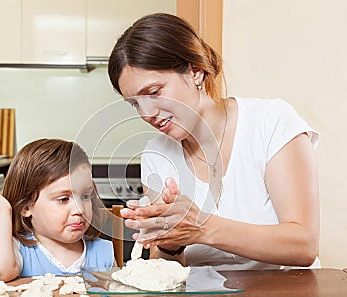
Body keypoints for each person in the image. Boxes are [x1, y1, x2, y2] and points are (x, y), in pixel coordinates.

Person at [108, 13, 320, 270]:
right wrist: (170, 244)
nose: (146, 113)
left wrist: (202, 227)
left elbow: (304, 245)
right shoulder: (156, 154)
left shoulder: (271, 122)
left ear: (195, 71)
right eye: (135, 104)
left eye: (153, 93)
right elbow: (167, 268)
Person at [0, 138, 115, 282]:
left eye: (85, 196)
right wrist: (2, 214)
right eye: (63, 199)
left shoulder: (103, 252)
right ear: (26, 206)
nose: (80, 210)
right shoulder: (18, 250)